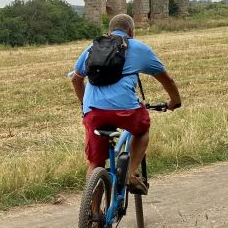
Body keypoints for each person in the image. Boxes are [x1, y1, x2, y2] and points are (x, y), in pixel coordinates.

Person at [70, 13, 181, 193]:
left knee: (95, 163)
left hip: (93, 111)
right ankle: (130, 173)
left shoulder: (92, 47)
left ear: (109, 31)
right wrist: (174, 101)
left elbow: (76, 79)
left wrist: (85, 108)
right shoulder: (138, 48)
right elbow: (167, 79)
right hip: (126, 110)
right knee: (142, 130)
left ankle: (94, 217)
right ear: (131, 31)